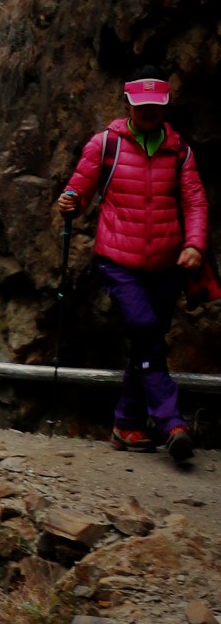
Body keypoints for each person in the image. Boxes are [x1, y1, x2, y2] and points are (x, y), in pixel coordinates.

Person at [58, 75, 209, 464]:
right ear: (127, 104)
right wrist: (71, 200)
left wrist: (194, 244)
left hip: (165, 262)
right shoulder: (104, 144)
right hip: (118, 260)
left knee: (148, 341)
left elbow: (194, 202)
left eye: (155, 105)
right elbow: (80, 189)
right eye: (141, 105)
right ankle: (171, 421)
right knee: (145, 330)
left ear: (165, 106)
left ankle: (126, 423)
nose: (148, 111)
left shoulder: (179, 151)